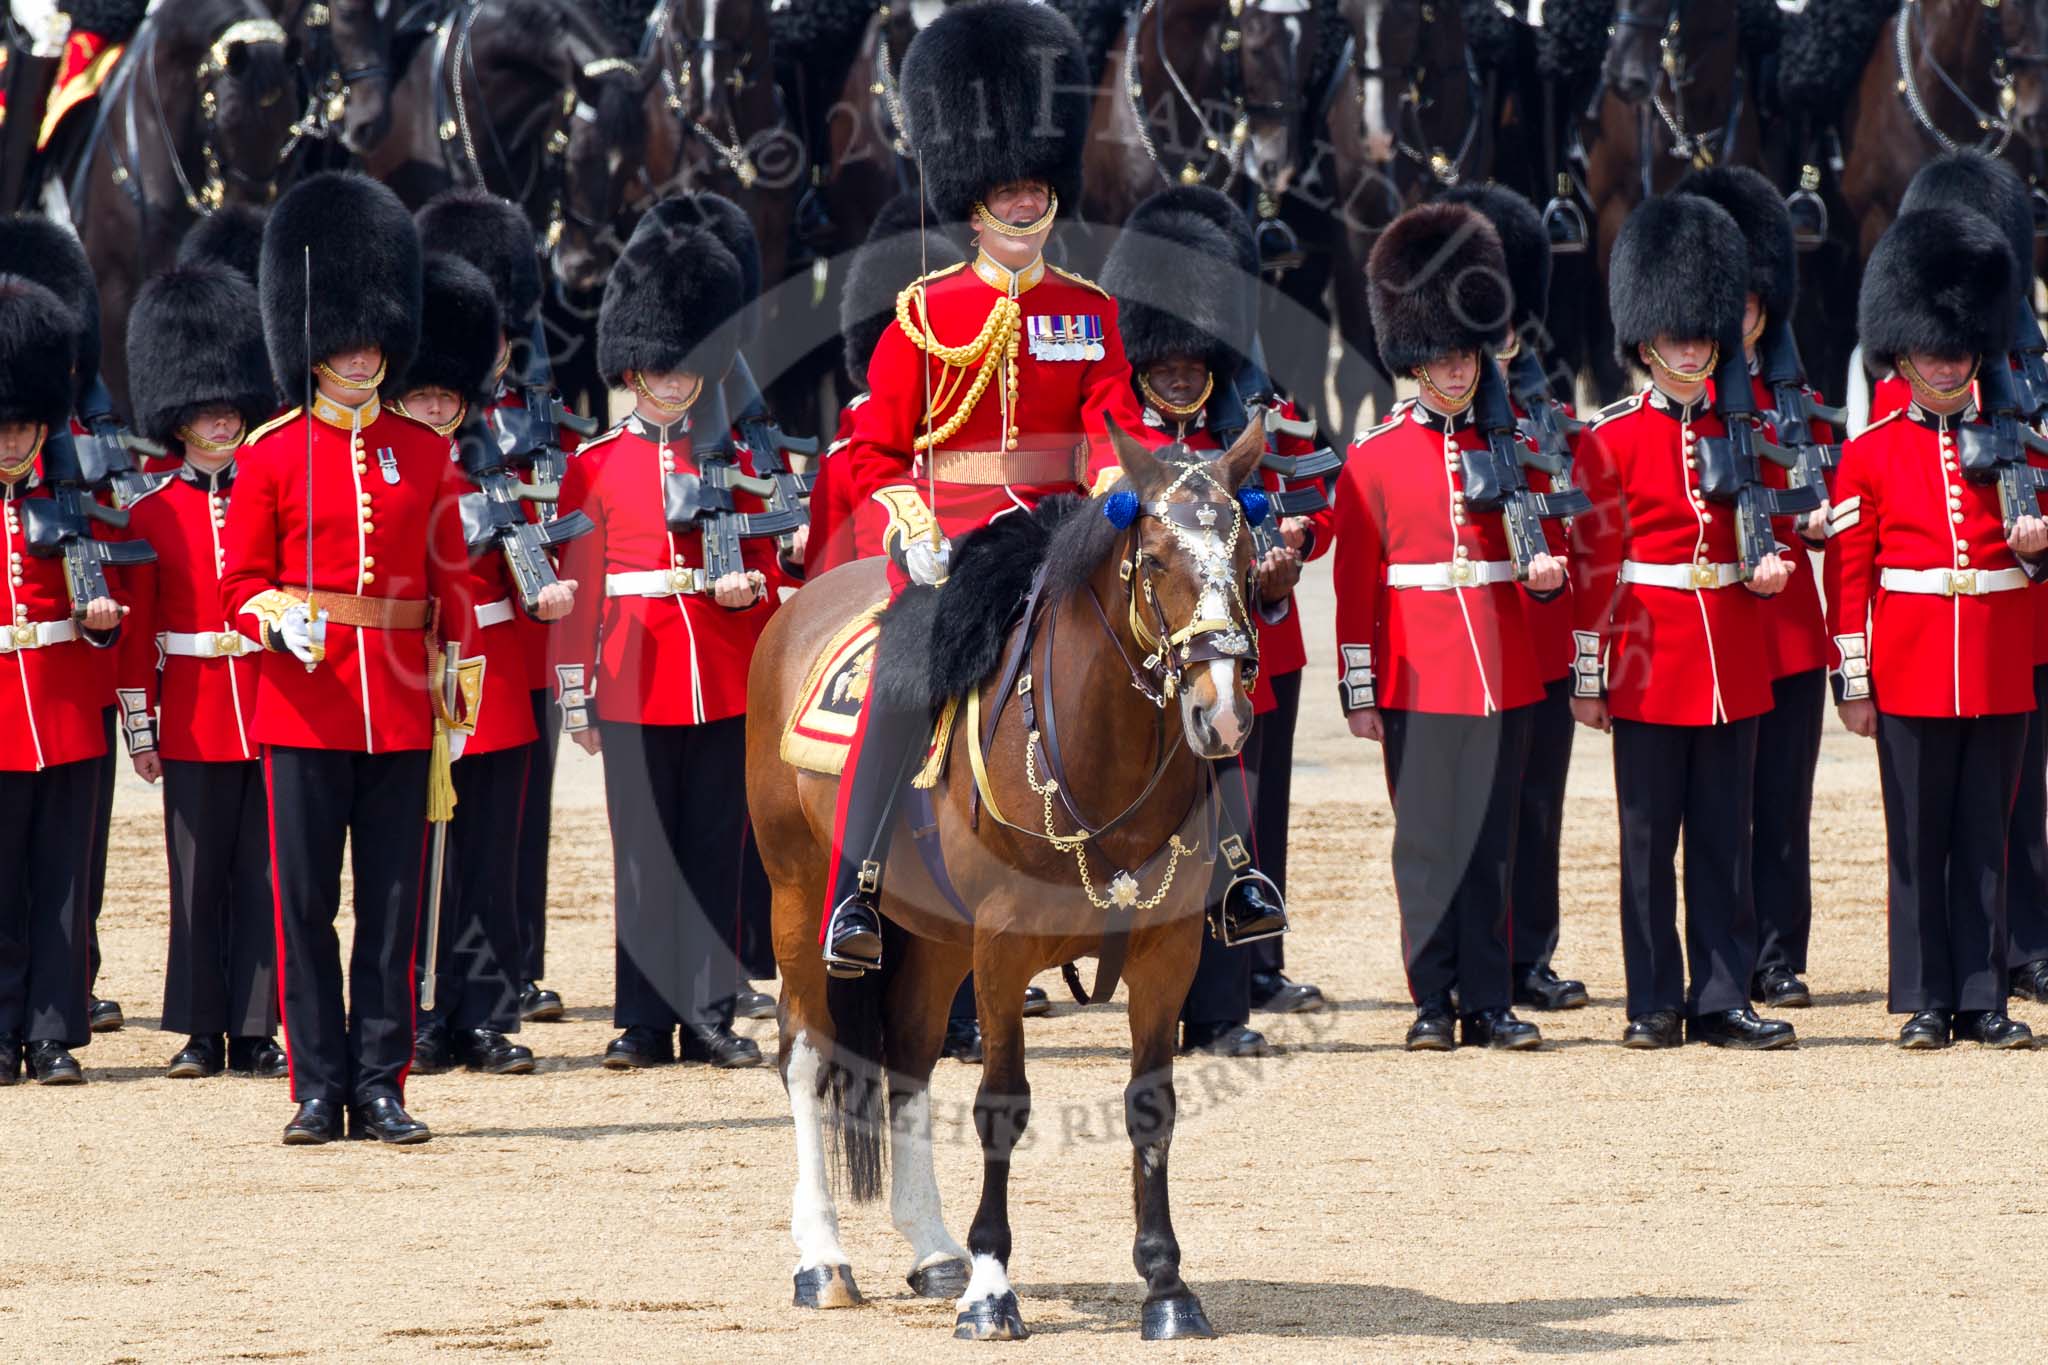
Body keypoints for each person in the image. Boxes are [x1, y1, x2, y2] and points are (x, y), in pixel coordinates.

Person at [822, 0, 1162, 976]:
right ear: (970, 200)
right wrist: (911, 522)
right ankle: (855, 890)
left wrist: (1114, 489)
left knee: (1175, 655)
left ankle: (1221, 867)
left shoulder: (1088, 312)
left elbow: (1113, 419)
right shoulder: (920, 317)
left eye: (1031, 189)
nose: (1020, 206)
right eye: (1001, 192)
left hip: (1066, 533)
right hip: (953, 540)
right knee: (900, 685)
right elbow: (872, 454)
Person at [219, 171, 480, 1145]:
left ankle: (381, 1079)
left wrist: (461, 677)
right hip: (306, 705)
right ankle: (317, 1086)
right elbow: (238, 581)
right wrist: (276, 617)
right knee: (307, 907)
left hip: (404, 708)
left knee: (392, 908)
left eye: (374, 336)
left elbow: (449, 583)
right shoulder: (271, 453)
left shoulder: (424, 452)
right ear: (312, 340)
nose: (363, 353)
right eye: (345, 336)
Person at [554, 196, 783, 1071]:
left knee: (714, 854)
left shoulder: (732, 458)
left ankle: (712, 1013)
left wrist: (749, 588)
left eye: (687, 366)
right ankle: (642, 1019)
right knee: (644, 857)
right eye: (660, 368)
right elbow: (578, 594)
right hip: (634, 675)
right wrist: (577, 694)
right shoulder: (595, 464)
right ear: (632, 367)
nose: (675, 382)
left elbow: (772, 583)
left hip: (721, 674)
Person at [1570, 193, 1797, 1051]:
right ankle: (1653, 1000)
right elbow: (1595, 569)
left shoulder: (1751, 427)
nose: (1694, 349)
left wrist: (1773, 571)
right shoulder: (1612, 438)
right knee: (1645, 844)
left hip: (1732, 649)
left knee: (1722, 842)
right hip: (1649, 657)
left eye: (1702, 335)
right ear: (1646, 343)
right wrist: (1591, 677)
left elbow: (1771, 529)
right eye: (1677, 337)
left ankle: (1722, 994)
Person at [1331, 202, 1558, 1052]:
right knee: (1426, 845)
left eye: (1465, 355)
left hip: (1500, 674)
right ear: (1412, 359)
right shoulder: (1376, 455)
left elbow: (1555, 547)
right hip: (1416, 677)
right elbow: (1357, 588)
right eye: (1440, 357)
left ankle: (1490, 999)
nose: (1457, 372)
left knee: (1493, 846)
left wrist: (1548, 577)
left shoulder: (1519, 442)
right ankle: (1433, 998)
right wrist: (1361, 690)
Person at [1827, 205, 2043, 1049]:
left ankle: (1984, 995)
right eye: (1933, 348)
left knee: (1988, 835)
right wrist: (1854, 679)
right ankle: (1924, 995)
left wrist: (2039, 550)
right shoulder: (1870, 450)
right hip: (1911, 666)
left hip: (1995, 662)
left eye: (1959, 347)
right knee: (1916, 838)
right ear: (1903, 350)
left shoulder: (2020, 442)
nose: (1948, 361)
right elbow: (1850, 574)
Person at [1101, 184, 1296, 1056]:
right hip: (1140, 660)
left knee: (1225, 823)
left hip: (1225, 651)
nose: (1181, 376)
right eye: (1166, 366)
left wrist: (1285, 552)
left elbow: (1306, 505)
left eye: (1194, 364)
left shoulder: (1244, 425)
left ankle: (1221, 1008)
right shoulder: (1117, 433)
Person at [394, 254, 576, 1077]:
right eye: (423, 394)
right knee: (419, 861)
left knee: (491, 863)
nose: (436, 407)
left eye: (447, 395)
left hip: (492, 681)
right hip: (408, 683)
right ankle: (423, 1012)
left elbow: (524, 565)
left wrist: (542, 593)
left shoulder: (491, 468)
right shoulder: (387, 471)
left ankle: (488, 1013)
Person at [116, 260, 284, 1080]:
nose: (221, 422)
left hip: (267, 700)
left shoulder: (269, 491)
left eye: (230, 410)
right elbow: (137, 632)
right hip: (188, 710)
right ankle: (198, 1027)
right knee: (195, 878)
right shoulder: (151, 510)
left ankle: (256, 1026)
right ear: (177, 418)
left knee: (264, 874)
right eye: (205, 412)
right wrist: (141, 728)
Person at [1670, 165, 1830, 1013]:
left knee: (1782, 806)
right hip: (1719, 630)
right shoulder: (1690, 406)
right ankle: (1726, 961)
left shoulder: (1792, 398)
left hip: (1791, 626)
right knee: (1721, 813)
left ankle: (1778, 954)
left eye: (1747, 306)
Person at [1441, 181, 1590, 1014]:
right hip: (1468, 640)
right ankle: (1465, 960)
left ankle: (1530, 952)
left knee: (1537, 806)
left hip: (1542, 640)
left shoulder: (1549, 411)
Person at [0, 211, 123, 1034]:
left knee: (63, 879)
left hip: (66, 709)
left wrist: (103, 624)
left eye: (23, 425)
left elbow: (117, 607)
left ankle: (55, 1028)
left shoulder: (76, 500)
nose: (13, 439)